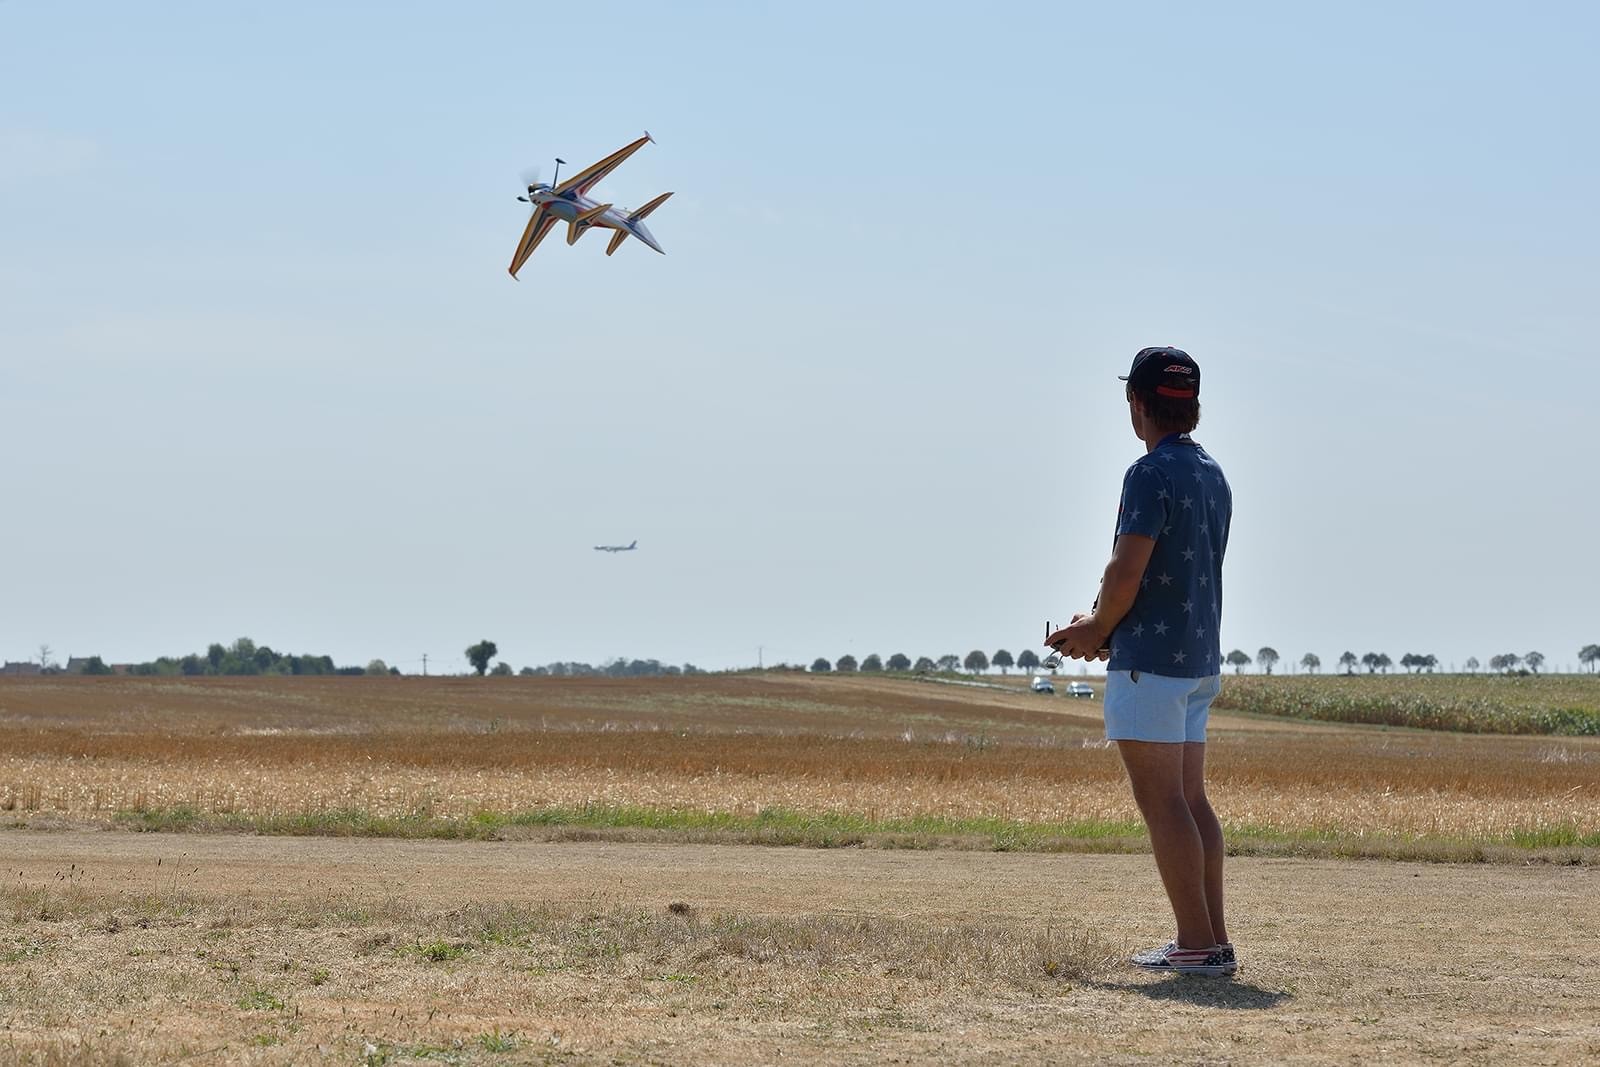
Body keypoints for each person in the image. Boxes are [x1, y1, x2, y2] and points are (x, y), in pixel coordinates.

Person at [1046, 346, 1236, 977]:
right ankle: (1212, 940)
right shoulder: (1211, 473)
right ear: (1192, 403)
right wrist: (1104, 627)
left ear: (1137, 403)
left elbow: (1127, 567)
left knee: (1164, 806)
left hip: (1148, 665)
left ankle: (1196, 945)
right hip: (1198, 659)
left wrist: (1098, 628)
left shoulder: (1147, 474)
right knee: (1191, 800)